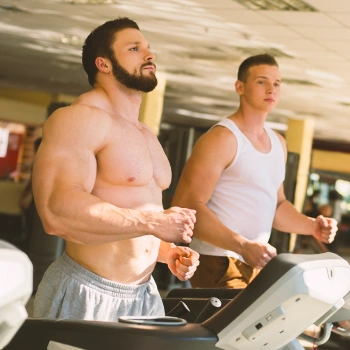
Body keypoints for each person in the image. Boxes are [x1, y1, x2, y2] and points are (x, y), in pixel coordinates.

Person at [32, 17, 199, 321]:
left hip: (144, 296)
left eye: (148, 48)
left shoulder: (144, 133)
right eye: (135, 48)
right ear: (104, 64)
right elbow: (56, 212)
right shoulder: (79, 119)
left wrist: (164, 251)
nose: (150, 55)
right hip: (87, 293)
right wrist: (151, 221)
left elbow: (129, 217)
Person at [172, 53, 337, 289]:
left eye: (276, 84)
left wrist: (312, 226)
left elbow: (276, 206)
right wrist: (241, 245)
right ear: (240, 87)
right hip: (219, 259)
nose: (271, 89)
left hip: (258, 261)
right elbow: (187, 206)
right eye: (262, 82)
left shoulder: (278, 142)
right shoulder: (222, 138)